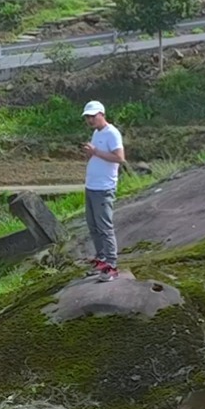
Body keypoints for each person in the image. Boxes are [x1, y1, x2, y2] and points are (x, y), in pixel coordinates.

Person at [81, 100, 125, 281]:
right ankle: (101, 259)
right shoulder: (96, 133)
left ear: (102, 114)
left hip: (103, 188)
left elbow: (120, 158)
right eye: (87, 117)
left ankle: (111, 265)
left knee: (105, 228)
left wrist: (96, 152)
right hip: (91, 186)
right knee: (93, 226)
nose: (90, 120)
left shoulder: (112, 133)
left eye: (93, 116)